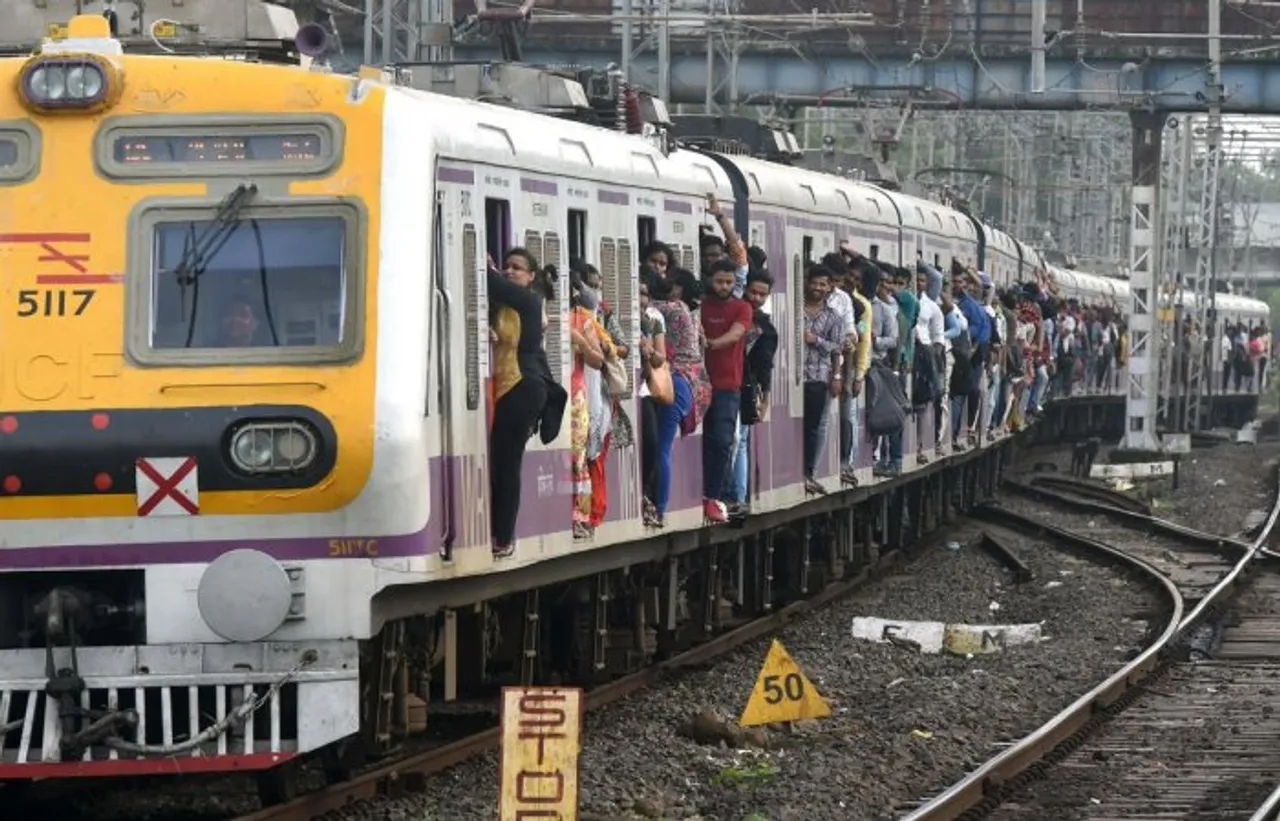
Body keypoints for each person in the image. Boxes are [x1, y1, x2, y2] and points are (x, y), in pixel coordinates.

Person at [487, 248, 563, 558]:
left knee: (507, 463)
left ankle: (503, 537)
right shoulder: (509, 306)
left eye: (517, 268)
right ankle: (501, 533)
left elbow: (489, 282)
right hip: (508, 387)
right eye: (506, 266)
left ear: (531, 277)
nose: (509, 271)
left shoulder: (529, 301)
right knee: (502, 460)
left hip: (523, 386)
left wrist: (486, 267)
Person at [699, 259, 752, 522]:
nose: (724, 286)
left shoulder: (742, 308)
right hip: (699, 383)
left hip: (727, 387)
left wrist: (708, 344)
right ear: (711, 280)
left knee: (721, 442)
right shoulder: (700, 306)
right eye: (720, 281)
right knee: (700, 440)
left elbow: (735, 335)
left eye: (729, 282)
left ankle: (713, 495)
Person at [728, 268, 778, 514]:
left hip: (747, 388)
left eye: (762, 295)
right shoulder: (733, 314)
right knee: (737, 439)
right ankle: (735, 493)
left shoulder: (766, 329)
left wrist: (765, 399)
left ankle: (737, 495)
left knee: (740, 439)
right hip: (729, 384)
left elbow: (766, 367)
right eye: (753, 292)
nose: (756, 298)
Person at [801, 265, 845, 494]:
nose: (818, 288)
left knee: (813, 426)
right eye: (814, 283)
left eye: (823, 284)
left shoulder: (833, 317)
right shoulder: (794, 308)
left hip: (819, 376)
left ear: (830, 288)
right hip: (795, 377)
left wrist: (815, 340)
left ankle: (808, 471)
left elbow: (837, 348)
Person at [637, 272, 668, 527]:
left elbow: (660, 359)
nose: (640, 298)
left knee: (652, 441)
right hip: (625, 389)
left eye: (645, 293)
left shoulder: (652, 321)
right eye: (636, 292)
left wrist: (647, 350)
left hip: (644, 389)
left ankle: (647, 494)